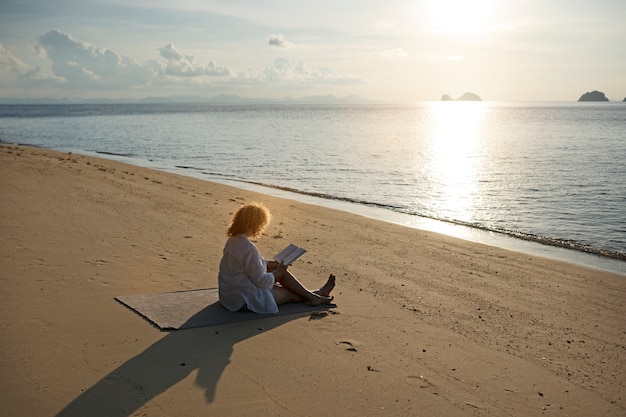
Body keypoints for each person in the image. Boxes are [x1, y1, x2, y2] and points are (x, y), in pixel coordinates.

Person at [218, 202, 335, 314]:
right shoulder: (249, 248)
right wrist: (279, 271)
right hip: (243, 300)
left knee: (281, 276)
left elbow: (252, 266)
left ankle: (315, 296)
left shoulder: (232, 241)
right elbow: (262, 281)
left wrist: (276, 264)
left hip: (228, 296)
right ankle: (317, 295)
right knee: (290, 293)